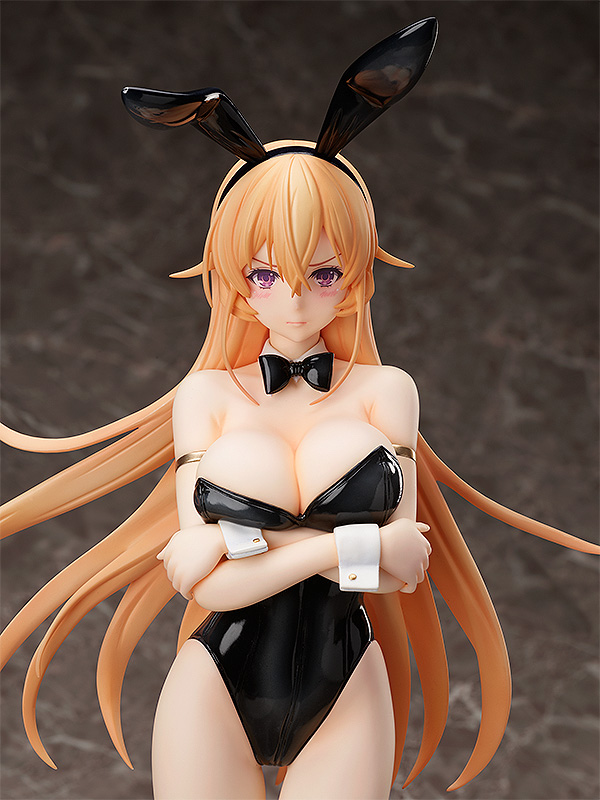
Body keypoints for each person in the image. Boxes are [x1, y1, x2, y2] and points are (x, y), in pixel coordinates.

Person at [1, 19, 598, 800]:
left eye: (321, 274)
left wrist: (243, 546)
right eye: (263, 275)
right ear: (233, 280)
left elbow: (405, 568)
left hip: (347, 684)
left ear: (355, 275)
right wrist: (344, 546)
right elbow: (203, 584)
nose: (291, 299)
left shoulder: (387, 392)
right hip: (213, 682)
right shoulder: (208, 397)